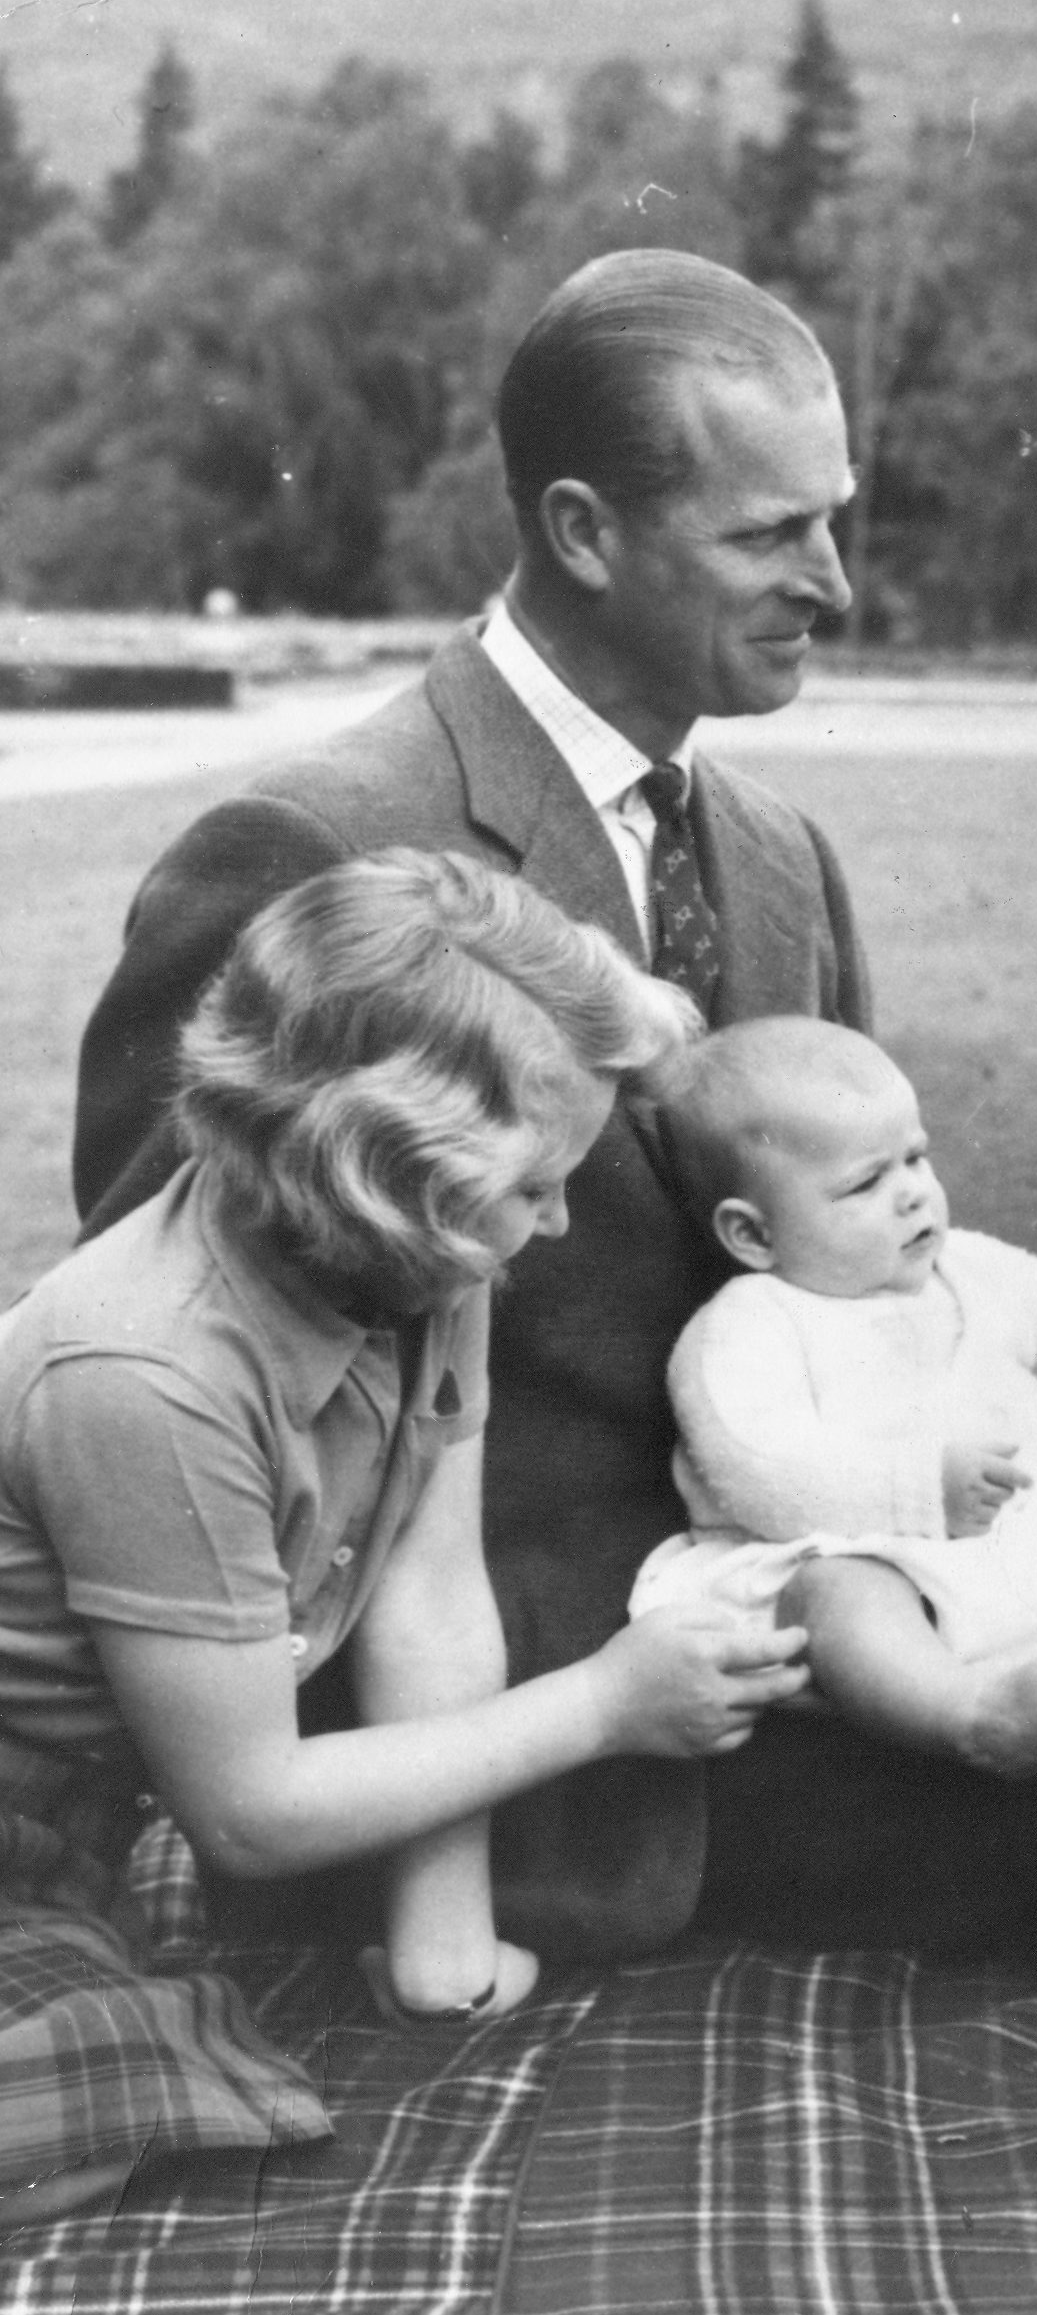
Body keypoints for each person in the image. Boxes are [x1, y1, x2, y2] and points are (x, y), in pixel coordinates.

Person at [67, 248, 1037, 1967]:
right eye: (768, 534)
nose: (836, 581)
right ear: (580, 530)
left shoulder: (780, 859)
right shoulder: (315, 848)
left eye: (833, 518)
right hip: (559, 1685)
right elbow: (168, 1382)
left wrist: (979, 1524)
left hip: (845, 1561)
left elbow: (852, 1266)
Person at [0, 854, 807, 2231]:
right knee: (114, 2086)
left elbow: (426, 1587)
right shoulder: (143, 1373)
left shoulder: (419, 1252)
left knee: (137, 2061)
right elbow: (251, 1811)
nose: (554, 1223)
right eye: (533, 1188)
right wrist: (609, 1702)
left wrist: (445, 1930)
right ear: (373, 1175)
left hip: (75, 1832)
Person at [635, 1018, 1037, 1776]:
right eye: (865, 1182)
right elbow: (756, 1464)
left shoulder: (964, 1270)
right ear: (753, 1236)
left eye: (915, 1156)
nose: (913, 1194)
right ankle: (969, 1714)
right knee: (842, 1598)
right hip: (845, 1551)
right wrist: (914, 1488)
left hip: (994, 1556)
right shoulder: (750, 1324)